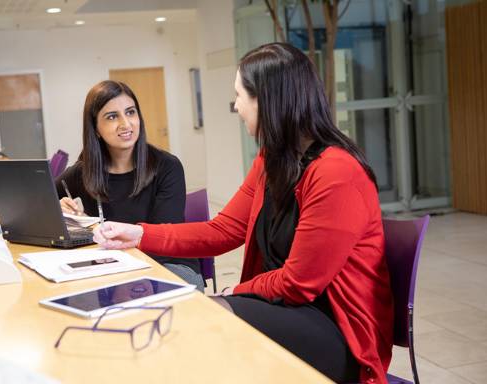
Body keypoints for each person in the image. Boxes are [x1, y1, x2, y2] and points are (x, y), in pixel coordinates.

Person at [92, 43, 393, 383]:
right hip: (288, 309)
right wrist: (140, 234)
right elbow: (221, 231)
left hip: (339, 332)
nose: (236, 106)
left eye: (239, 96)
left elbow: (298, 283)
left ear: (267, 99)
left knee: (203, 321)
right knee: (195, 321)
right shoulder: (272, 161)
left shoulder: (336, 173)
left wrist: (234, 293)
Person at [55, 80, 204, 292]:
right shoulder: (84, 172)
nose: (126, 124)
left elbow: (163, 244)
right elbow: (41, 202)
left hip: (171, 265)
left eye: (131, 112)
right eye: (112, 116)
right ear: (95, 128)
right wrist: (62, 211)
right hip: (112, 268)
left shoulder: (167, 166)